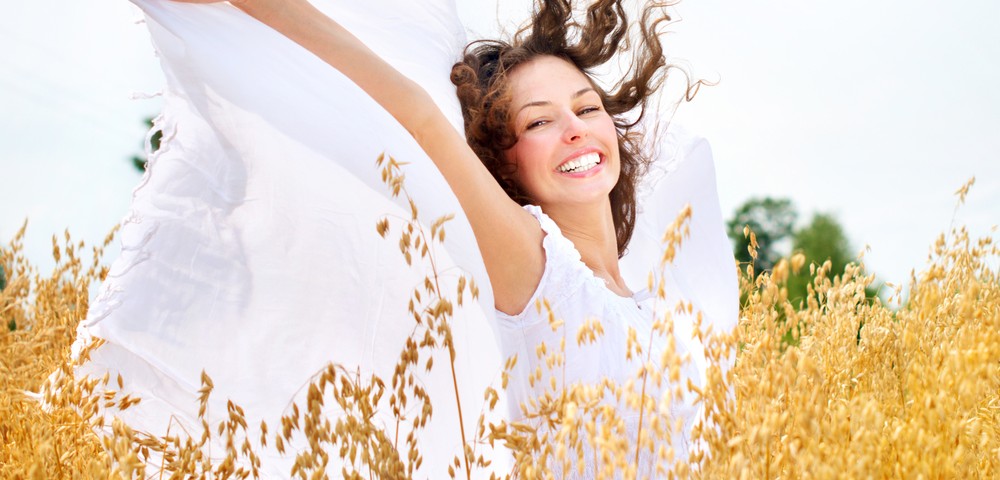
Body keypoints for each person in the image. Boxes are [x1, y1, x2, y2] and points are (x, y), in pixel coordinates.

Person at [69, 0, 738, 476]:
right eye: (539, 123)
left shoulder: (660, 304)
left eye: (587, 109)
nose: (574, 129)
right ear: (505, 161)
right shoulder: (535, 268)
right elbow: (417, 116)